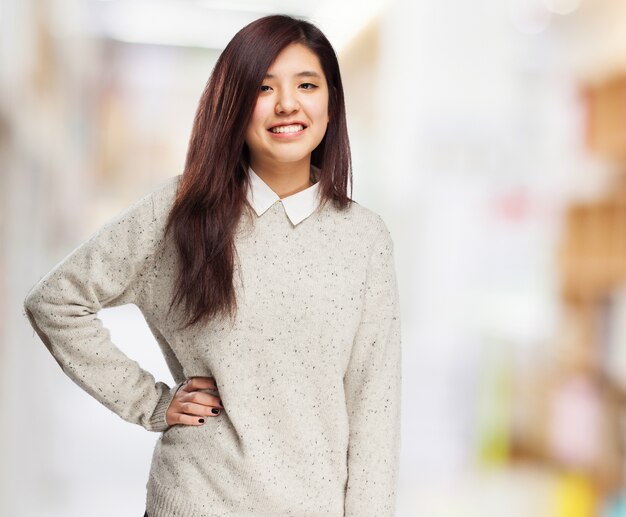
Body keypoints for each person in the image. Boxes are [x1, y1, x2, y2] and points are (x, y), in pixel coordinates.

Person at [23, 14, 402, 517]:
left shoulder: (364, 239)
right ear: (234, 105)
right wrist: (151, 402)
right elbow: (57, 302)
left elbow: (374, 409)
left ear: (331, 103)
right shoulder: (182, 211)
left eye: (306, 85)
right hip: (197, 499)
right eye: (263, 87)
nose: (287, 103)